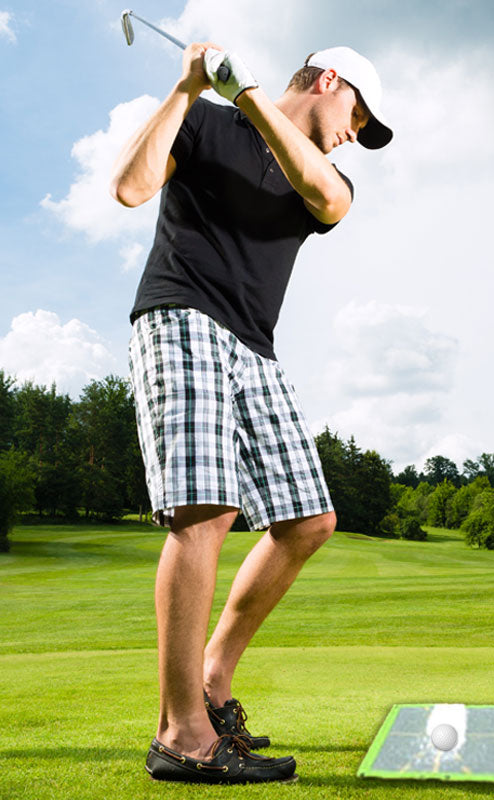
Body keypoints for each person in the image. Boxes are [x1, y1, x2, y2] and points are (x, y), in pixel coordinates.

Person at [110, 41, 392, 785]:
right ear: (328, 80)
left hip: (254, 348)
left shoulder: (327, 176)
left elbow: (325, 196)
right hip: (181, 317)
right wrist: (186, 91)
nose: (353, 132)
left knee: (308, 520)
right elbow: (131, 189)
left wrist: (248, 93)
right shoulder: (205, 123)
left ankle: (211, 682)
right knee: (205, 511)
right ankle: (182, 735)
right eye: (355, 113)